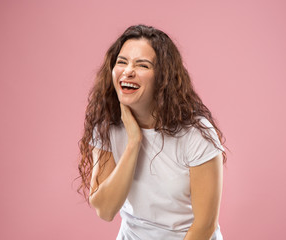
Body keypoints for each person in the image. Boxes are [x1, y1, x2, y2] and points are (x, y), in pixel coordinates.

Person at [77, 24, 228, 240]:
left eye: (142, 65)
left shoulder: (195, 135)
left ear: (163, 78)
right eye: (122, 62)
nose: (128, 71)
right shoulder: (107, 127)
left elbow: (205, 226)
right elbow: (105, 209)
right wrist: (134, 142)